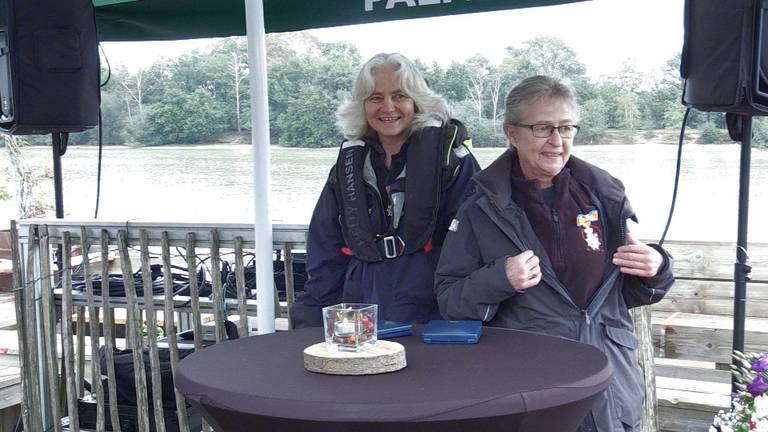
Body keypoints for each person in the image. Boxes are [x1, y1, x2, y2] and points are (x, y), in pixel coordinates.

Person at [434, 75, 674, 432]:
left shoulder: (605, 195)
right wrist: (499, 279)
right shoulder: (480, 209)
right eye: (543, 128)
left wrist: (657, 267)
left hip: (610, 383)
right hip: (531, 388)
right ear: (511, 133)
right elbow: (449, 300)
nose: (557, 141)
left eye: (566, 128)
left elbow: (628, 294)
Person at [291, 53, 481, 328]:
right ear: (363, 105)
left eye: (400, 96)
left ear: (417, 101)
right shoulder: (348, 165)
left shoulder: (454, 162)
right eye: (376, 98)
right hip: (361, 312)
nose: (388, 107)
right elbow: (325, 244)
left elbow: (471, 246)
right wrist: (312, 315)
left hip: (432, 314)